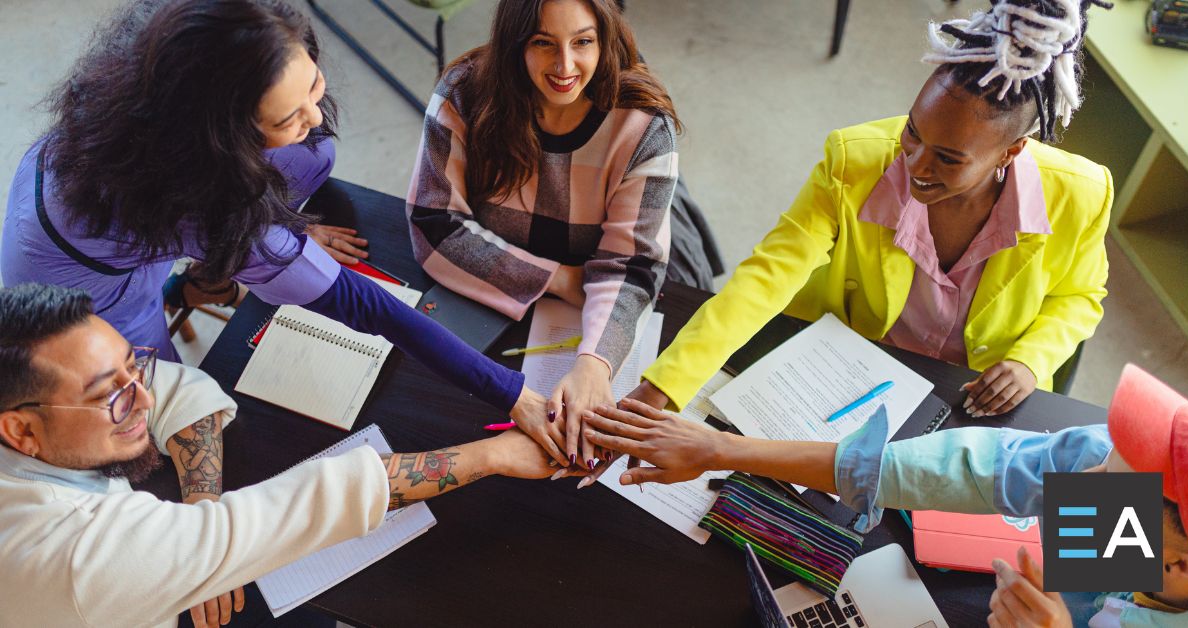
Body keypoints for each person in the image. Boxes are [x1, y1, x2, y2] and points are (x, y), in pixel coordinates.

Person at [0, 0, 565, 463]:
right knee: (157, 415)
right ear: (222, 141)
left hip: (106, 206)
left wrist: (275, 237)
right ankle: (200, 284)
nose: (313, 117)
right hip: (91, 296)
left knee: (311, 156)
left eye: (312, 86)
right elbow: (362, 303)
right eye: (284, 118)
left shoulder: (161, 61)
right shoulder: (201, 202)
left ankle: (216, 268)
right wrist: (510, 391)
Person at [626, 0, 1113, 422]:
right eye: (914, 132)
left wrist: (1031, 360)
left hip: (975, 402)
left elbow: (1080, 296)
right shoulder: (852, 160)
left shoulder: (1081, 194)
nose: (915, 165)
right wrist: (666, 385)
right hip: (850, 376)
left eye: (948, 158)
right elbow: (765, 278)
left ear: (1011, 153)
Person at [0, 283, 573, 628]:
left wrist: (203, 508)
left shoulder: (39, 429)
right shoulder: (72, 555)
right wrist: (495, 453)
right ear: (21, 431)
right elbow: (303, 505)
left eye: (135, 366)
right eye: (112, 395)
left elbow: (178, 389)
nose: (143, 397)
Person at [582, 364, 1188, 626]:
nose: (1071, 482)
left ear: (1176, 563)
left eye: (1105, 486)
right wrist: (720, 451)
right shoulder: (1111, 477)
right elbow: (966, 470)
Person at [406, 0, 700, 470]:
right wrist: (562, 279)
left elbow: (633, 266)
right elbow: (432, 226)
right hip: (536, 291)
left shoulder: (644, 123)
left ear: (605, 38)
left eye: (583, 42)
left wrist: (593, 366)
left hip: (605, 282)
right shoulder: (464, 93)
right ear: (513, 42)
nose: (565, 67)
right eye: (543, 43)